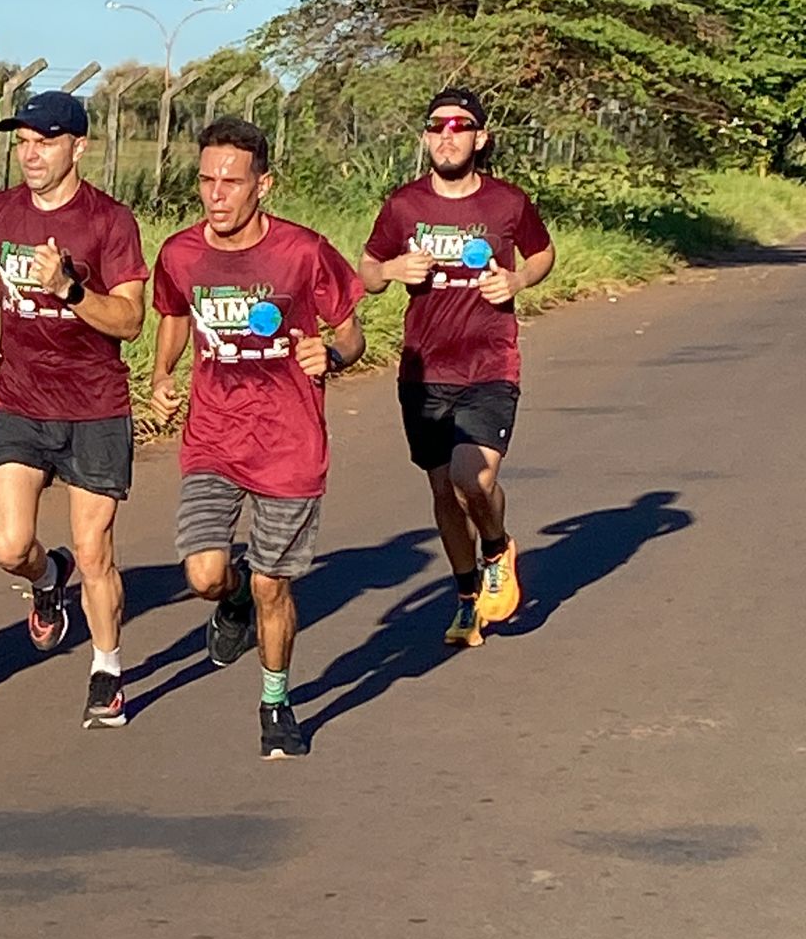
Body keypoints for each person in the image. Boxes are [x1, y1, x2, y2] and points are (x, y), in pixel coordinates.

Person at [151, 118, 366, 760]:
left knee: (278, 583)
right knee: (204, 574)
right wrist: (163, 374)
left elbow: (352, 334)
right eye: (206, 180)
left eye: (231, 182)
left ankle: (276, 701)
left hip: (289, 443)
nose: (216, 194)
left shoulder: (303, 253)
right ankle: (232, 598)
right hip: (213, 436)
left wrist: (332, 353)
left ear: (262, 186)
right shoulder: (181, 253)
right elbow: (172, 312)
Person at [0, 90, 149, 728]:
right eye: (23, 142)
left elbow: (130, 320)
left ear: (79, 146)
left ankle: (107, 667)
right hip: (20, 398)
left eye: (45, 141)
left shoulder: (109, 222)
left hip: (95, 406)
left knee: (95, 549)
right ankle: (48, 578)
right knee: (9, 545)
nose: (31, 154)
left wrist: (69, 288)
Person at [360, 87, 555, 647]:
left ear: (480, 137)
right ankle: (468, 592)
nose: (447, 135)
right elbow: (367, 273)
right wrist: (395, 267)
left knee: (474, 476)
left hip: (490, 362)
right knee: (444, 490)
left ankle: (496, 549)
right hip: (424, 371)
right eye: (437, 126)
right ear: (425, 138)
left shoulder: (507, 203)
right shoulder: (403, 206)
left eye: (459, 125)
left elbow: (542, 252)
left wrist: (517, 280)